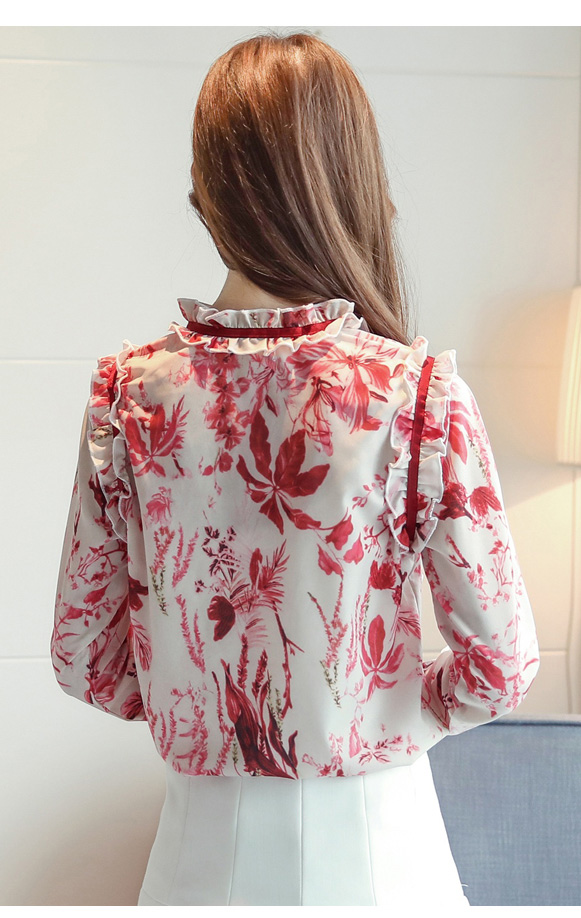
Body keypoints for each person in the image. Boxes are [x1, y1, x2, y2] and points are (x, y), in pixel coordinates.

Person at [51, 31, 540, 907]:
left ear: (203, 189)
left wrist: (202, 710)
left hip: (197, 851)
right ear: (351, 181)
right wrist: (385, 706)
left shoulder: (127, 396)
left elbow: (85, 657)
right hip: (379, 847)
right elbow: (499, 665)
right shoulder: (415, 394)